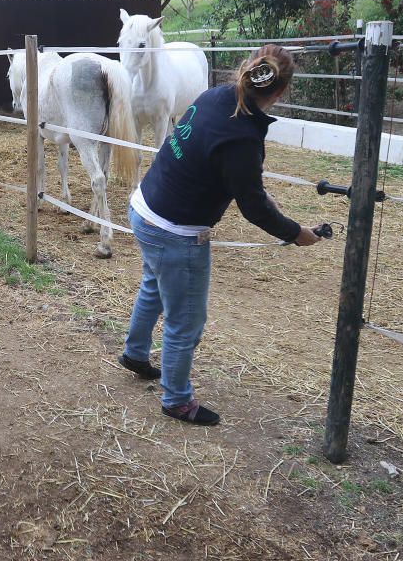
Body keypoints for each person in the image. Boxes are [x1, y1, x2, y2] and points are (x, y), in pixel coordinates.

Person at [118, 44, 321, 426]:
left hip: (145, 207)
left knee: (153, 285)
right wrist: (296, 233)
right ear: (280, 92)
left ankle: (135, 352)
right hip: (176, 231)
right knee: (186, 320)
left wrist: (252, 189)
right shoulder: (244, 136)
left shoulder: (214, 96)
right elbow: (253, 207)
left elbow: (220, 166)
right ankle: (176, 399)